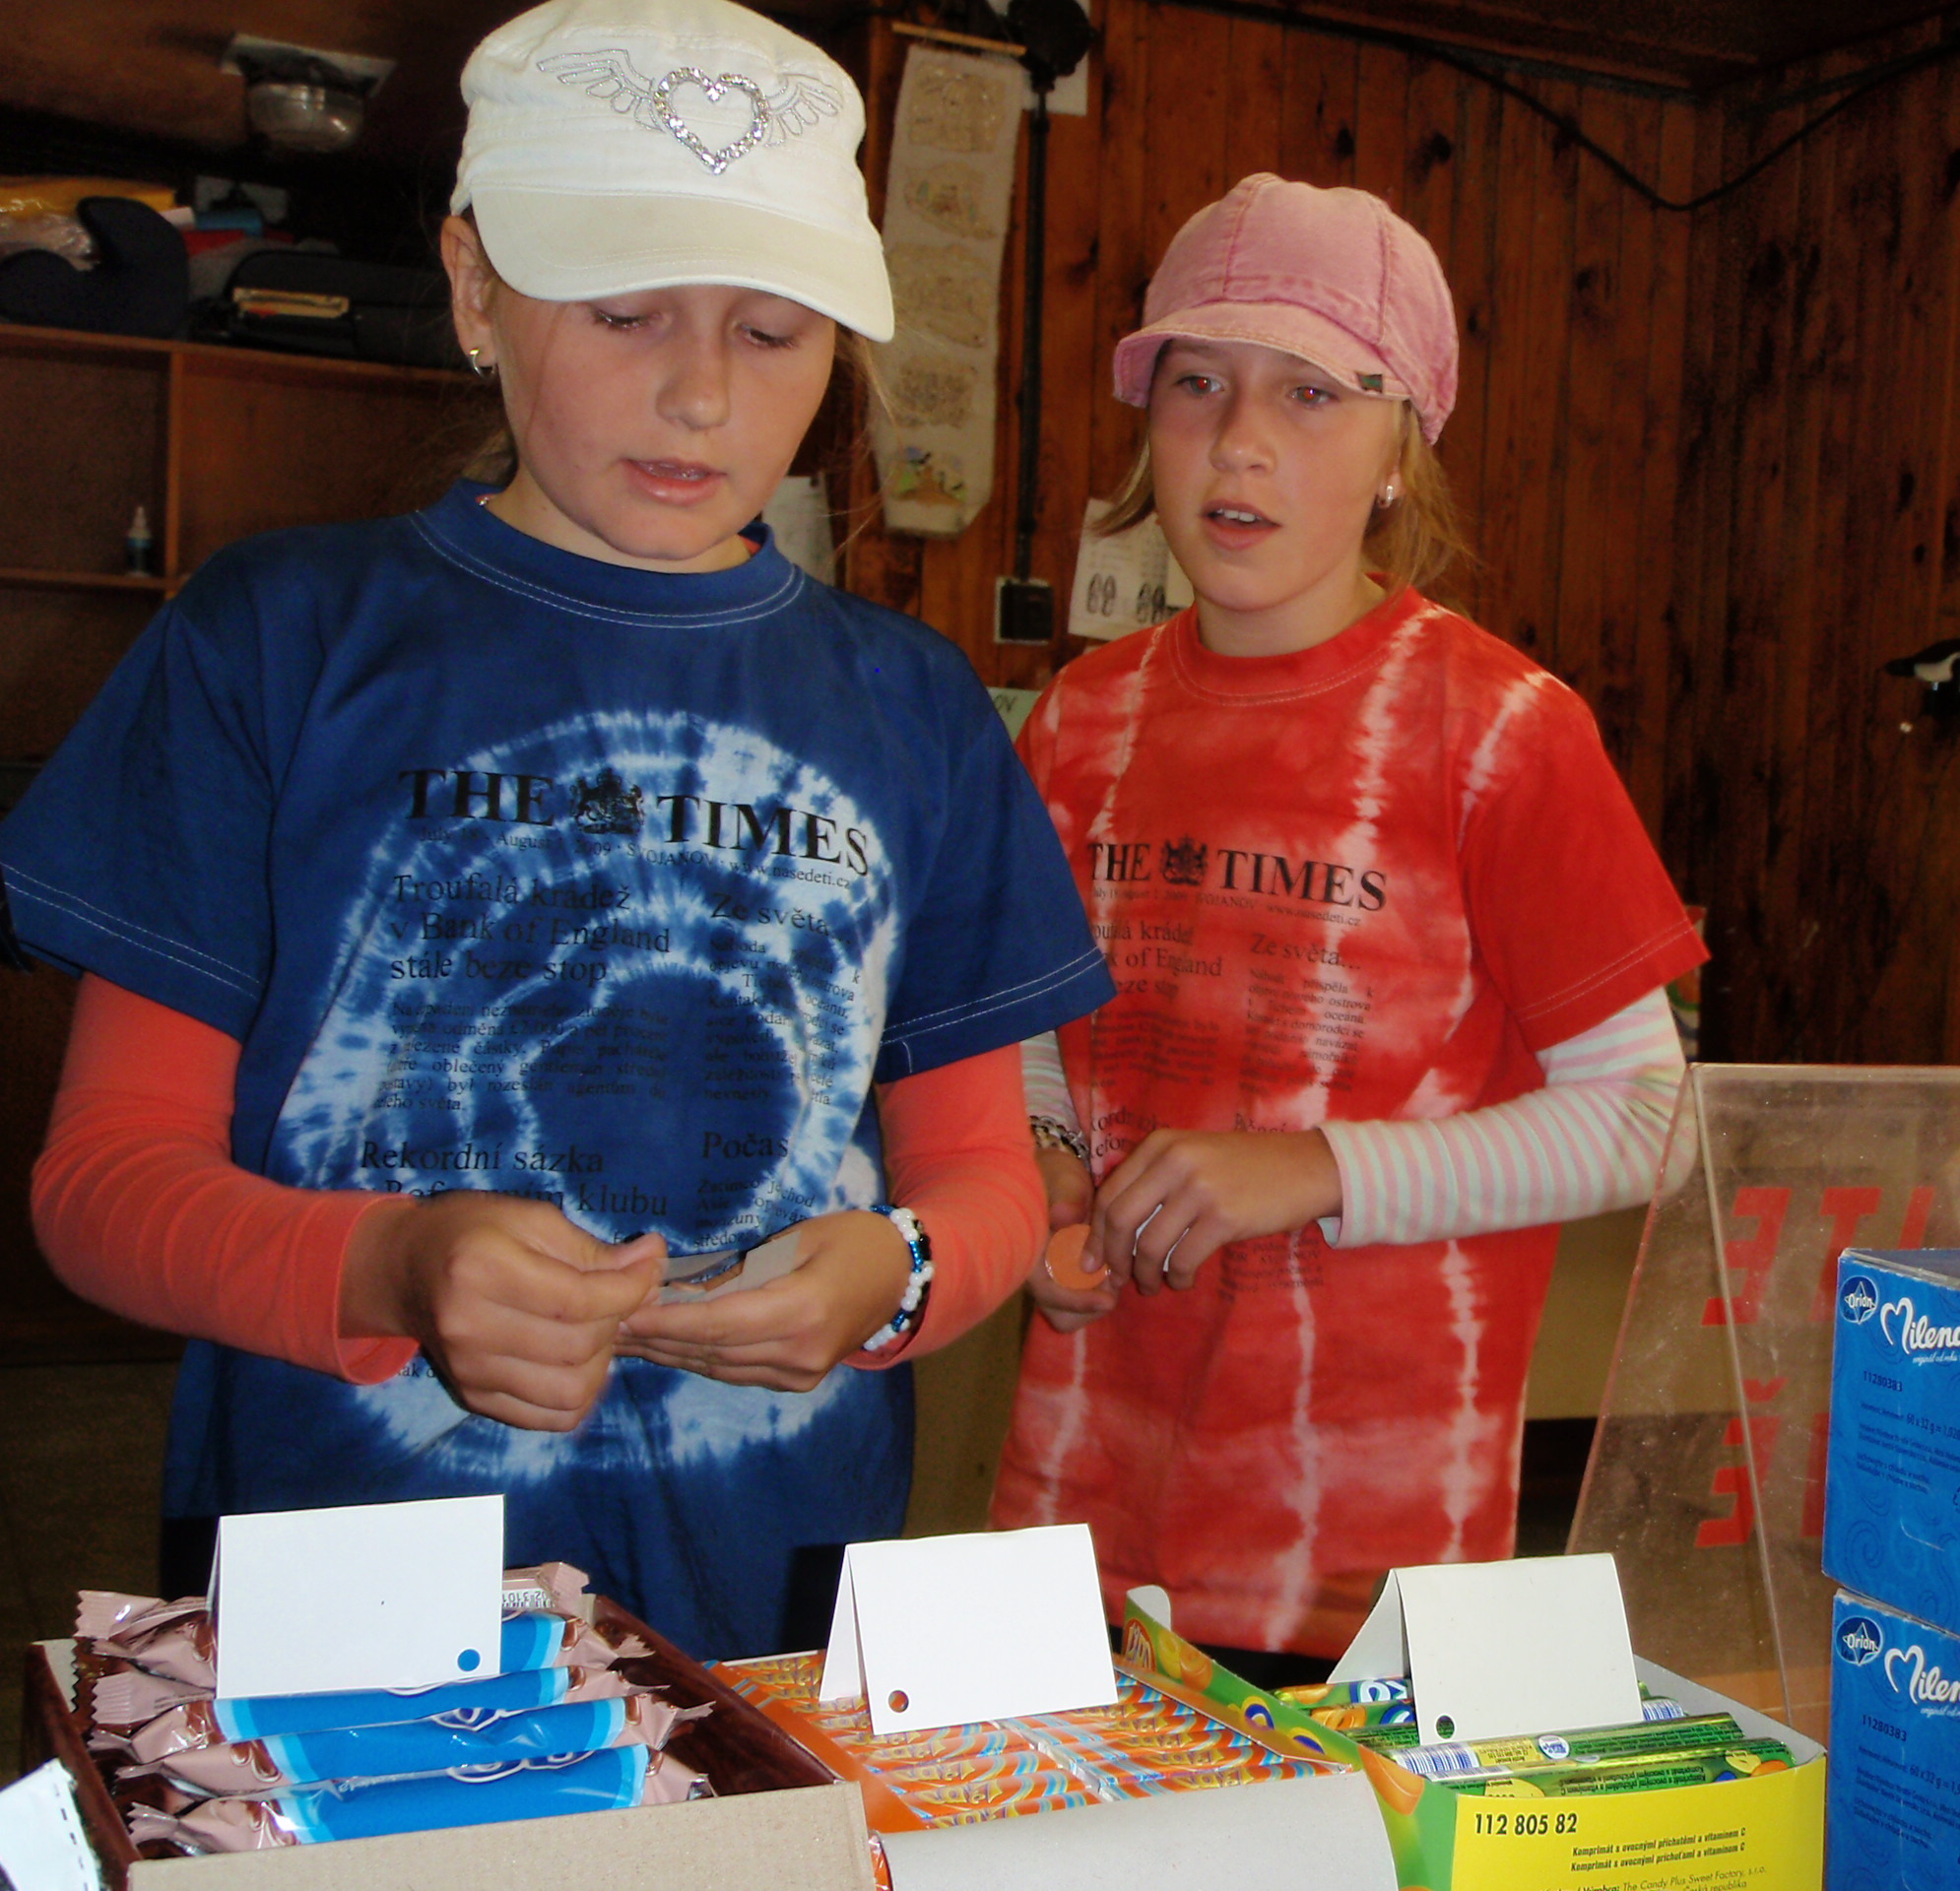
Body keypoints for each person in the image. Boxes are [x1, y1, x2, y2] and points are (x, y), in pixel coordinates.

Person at [0, 0, 1112, 1662]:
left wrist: (900, 1273)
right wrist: (390, 1266)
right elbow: (103, 1181)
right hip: (352, 1611)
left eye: (773, 332)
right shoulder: (276, 639)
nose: (698, 394)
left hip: (770, 1602)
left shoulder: (914, 703)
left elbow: (982, 1174)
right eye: (624, 311)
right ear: (473, 288)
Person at [989, 173, 1708, 1670]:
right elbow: (1034, 1042)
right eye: (1197, 383)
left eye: (1311, 393)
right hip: (1085, 1517)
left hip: (1372, 1568)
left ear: (1400, 450)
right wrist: (1046, 1172)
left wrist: (1315, 1170)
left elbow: (1649, 1122)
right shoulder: (1079, 722)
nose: (1240, 441)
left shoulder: (1504, 729)